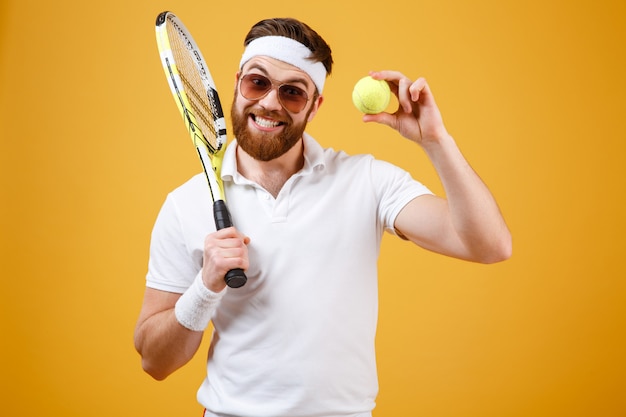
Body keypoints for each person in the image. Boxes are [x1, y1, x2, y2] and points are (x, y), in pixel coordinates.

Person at [134, 17, 511, 417]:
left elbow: (489, 245)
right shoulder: (185, 204)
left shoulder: (366, 180)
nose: (270, 103)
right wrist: (205, 288)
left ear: (314, 107)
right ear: (237, 83)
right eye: (257, 83)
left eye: (292, 92)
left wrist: (436, 141)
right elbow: (155, 362)